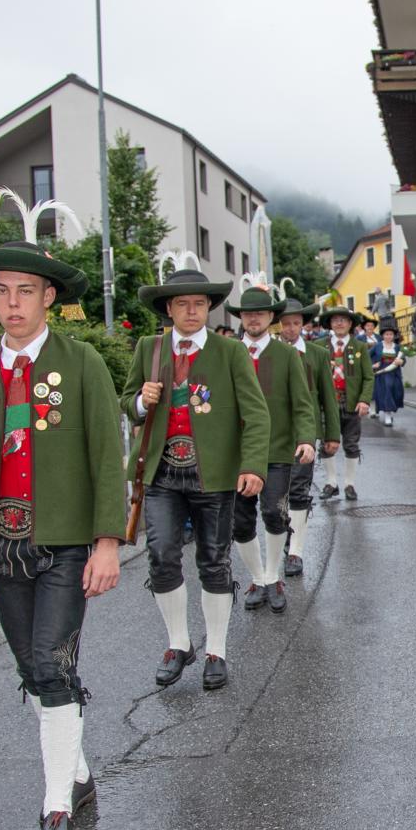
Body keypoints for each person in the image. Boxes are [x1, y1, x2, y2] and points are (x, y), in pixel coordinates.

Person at [0, 189, 125, 830]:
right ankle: (74, 775)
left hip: (65, 546)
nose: (13, 303)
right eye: (1, 291)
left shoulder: (81, 367)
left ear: (50, 297)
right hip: (3, 546)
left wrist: (106, 542)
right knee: (35, 671)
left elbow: (108, 459)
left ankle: (55, 810)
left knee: (51, 664)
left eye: (26, 290)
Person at [122, 258, 269, 691]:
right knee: (163, 556)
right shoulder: (148, 350)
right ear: (168, 309)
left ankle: (216, 650)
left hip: (216, 475)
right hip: (162, 472)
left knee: (213, 561)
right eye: (182, 304)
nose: (191, 311)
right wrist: (141, 402)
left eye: (199, 304)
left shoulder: (229, 351)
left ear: (209, 308)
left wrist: (252, 465)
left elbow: (255, 414)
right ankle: (178, 644)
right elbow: (127, 401)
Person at [224, 277, 317, 612]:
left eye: (260, 313)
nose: (253, 319)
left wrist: (306, 439)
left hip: (278, 450)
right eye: (248, 314)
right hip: (235, 453)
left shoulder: (286, 355)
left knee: (274, 515)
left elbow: (303, 404)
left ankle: (274, 575)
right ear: (240, 317)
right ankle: (257, 577)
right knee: (241, 521)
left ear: (270, 317)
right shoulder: (227, 353)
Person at [274, 297, 340, 578]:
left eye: (296, 323)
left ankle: (296, 551)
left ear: (304, 324)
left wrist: (331, 435)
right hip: (275, 434)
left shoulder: (316, 354)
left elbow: (328, 396)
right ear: (278, 326)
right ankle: (280, 540)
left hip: (306, 432)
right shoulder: (270, 353)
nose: (291, 328)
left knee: (300, 489)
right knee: (277, 493)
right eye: (286, 324)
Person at [315, 301, 375, 502]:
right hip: (327, 403)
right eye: (335, 320)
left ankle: (350, 484)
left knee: (351, 444)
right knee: (327, 444)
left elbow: (368, 377)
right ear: (330, 323)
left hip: (350, 402)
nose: (339, 323)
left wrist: (364, 400)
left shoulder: (359, 346)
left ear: (350, 324)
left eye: (343, 320)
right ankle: (331, 483)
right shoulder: (319, 345)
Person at [371, 323, 406, 427]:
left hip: (395, 374)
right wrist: (373, 365)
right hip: (382, 374)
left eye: (390, 334)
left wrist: (401, 362)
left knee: (395, 393)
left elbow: (404, 360)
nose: (388, 336)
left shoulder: (398, 347)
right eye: (386, 334)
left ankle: (389, 412)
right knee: (387, 391)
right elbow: (366, 356)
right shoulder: (377, 346)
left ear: (393, 336)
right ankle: (387, 415)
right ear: (383, 336)